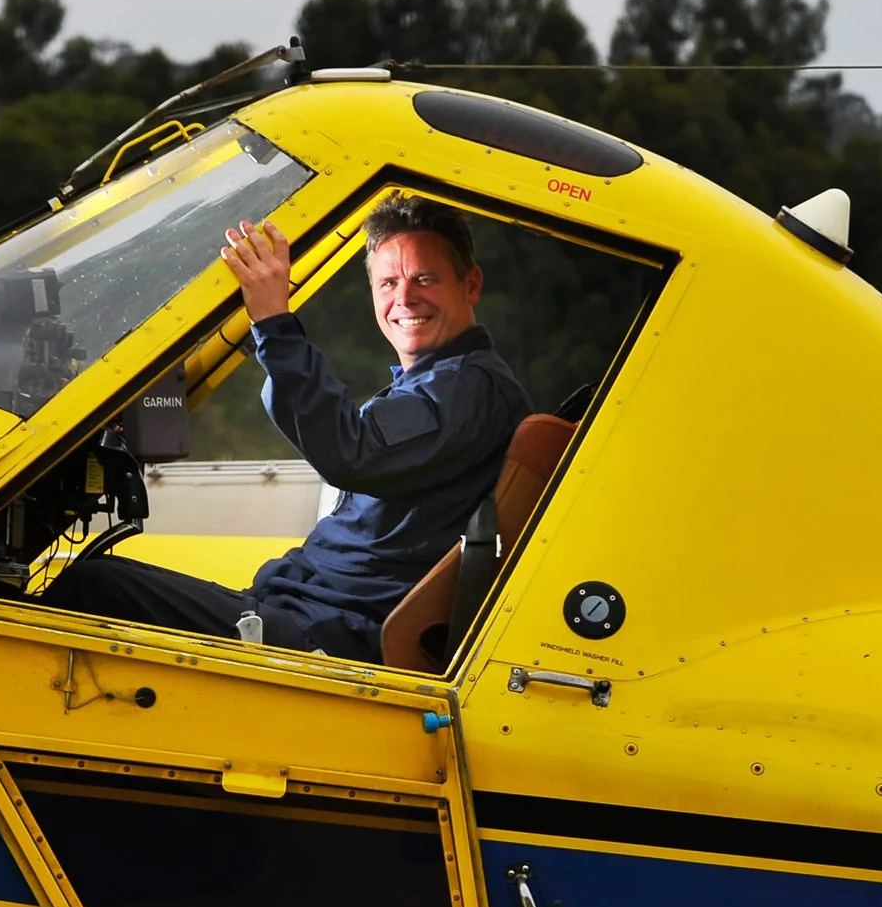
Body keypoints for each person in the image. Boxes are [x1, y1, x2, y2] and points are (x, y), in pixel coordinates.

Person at [43, 194, 530, 661]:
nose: (404, 297)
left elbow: (353, 451)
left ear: (471, 284)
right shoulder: (442, 385)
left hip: (332, 632)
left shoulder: (466, 389)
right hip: (309, 608)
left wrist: (274, 323)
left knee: (91, 587)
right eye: (388, 283)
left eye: (425, 279)